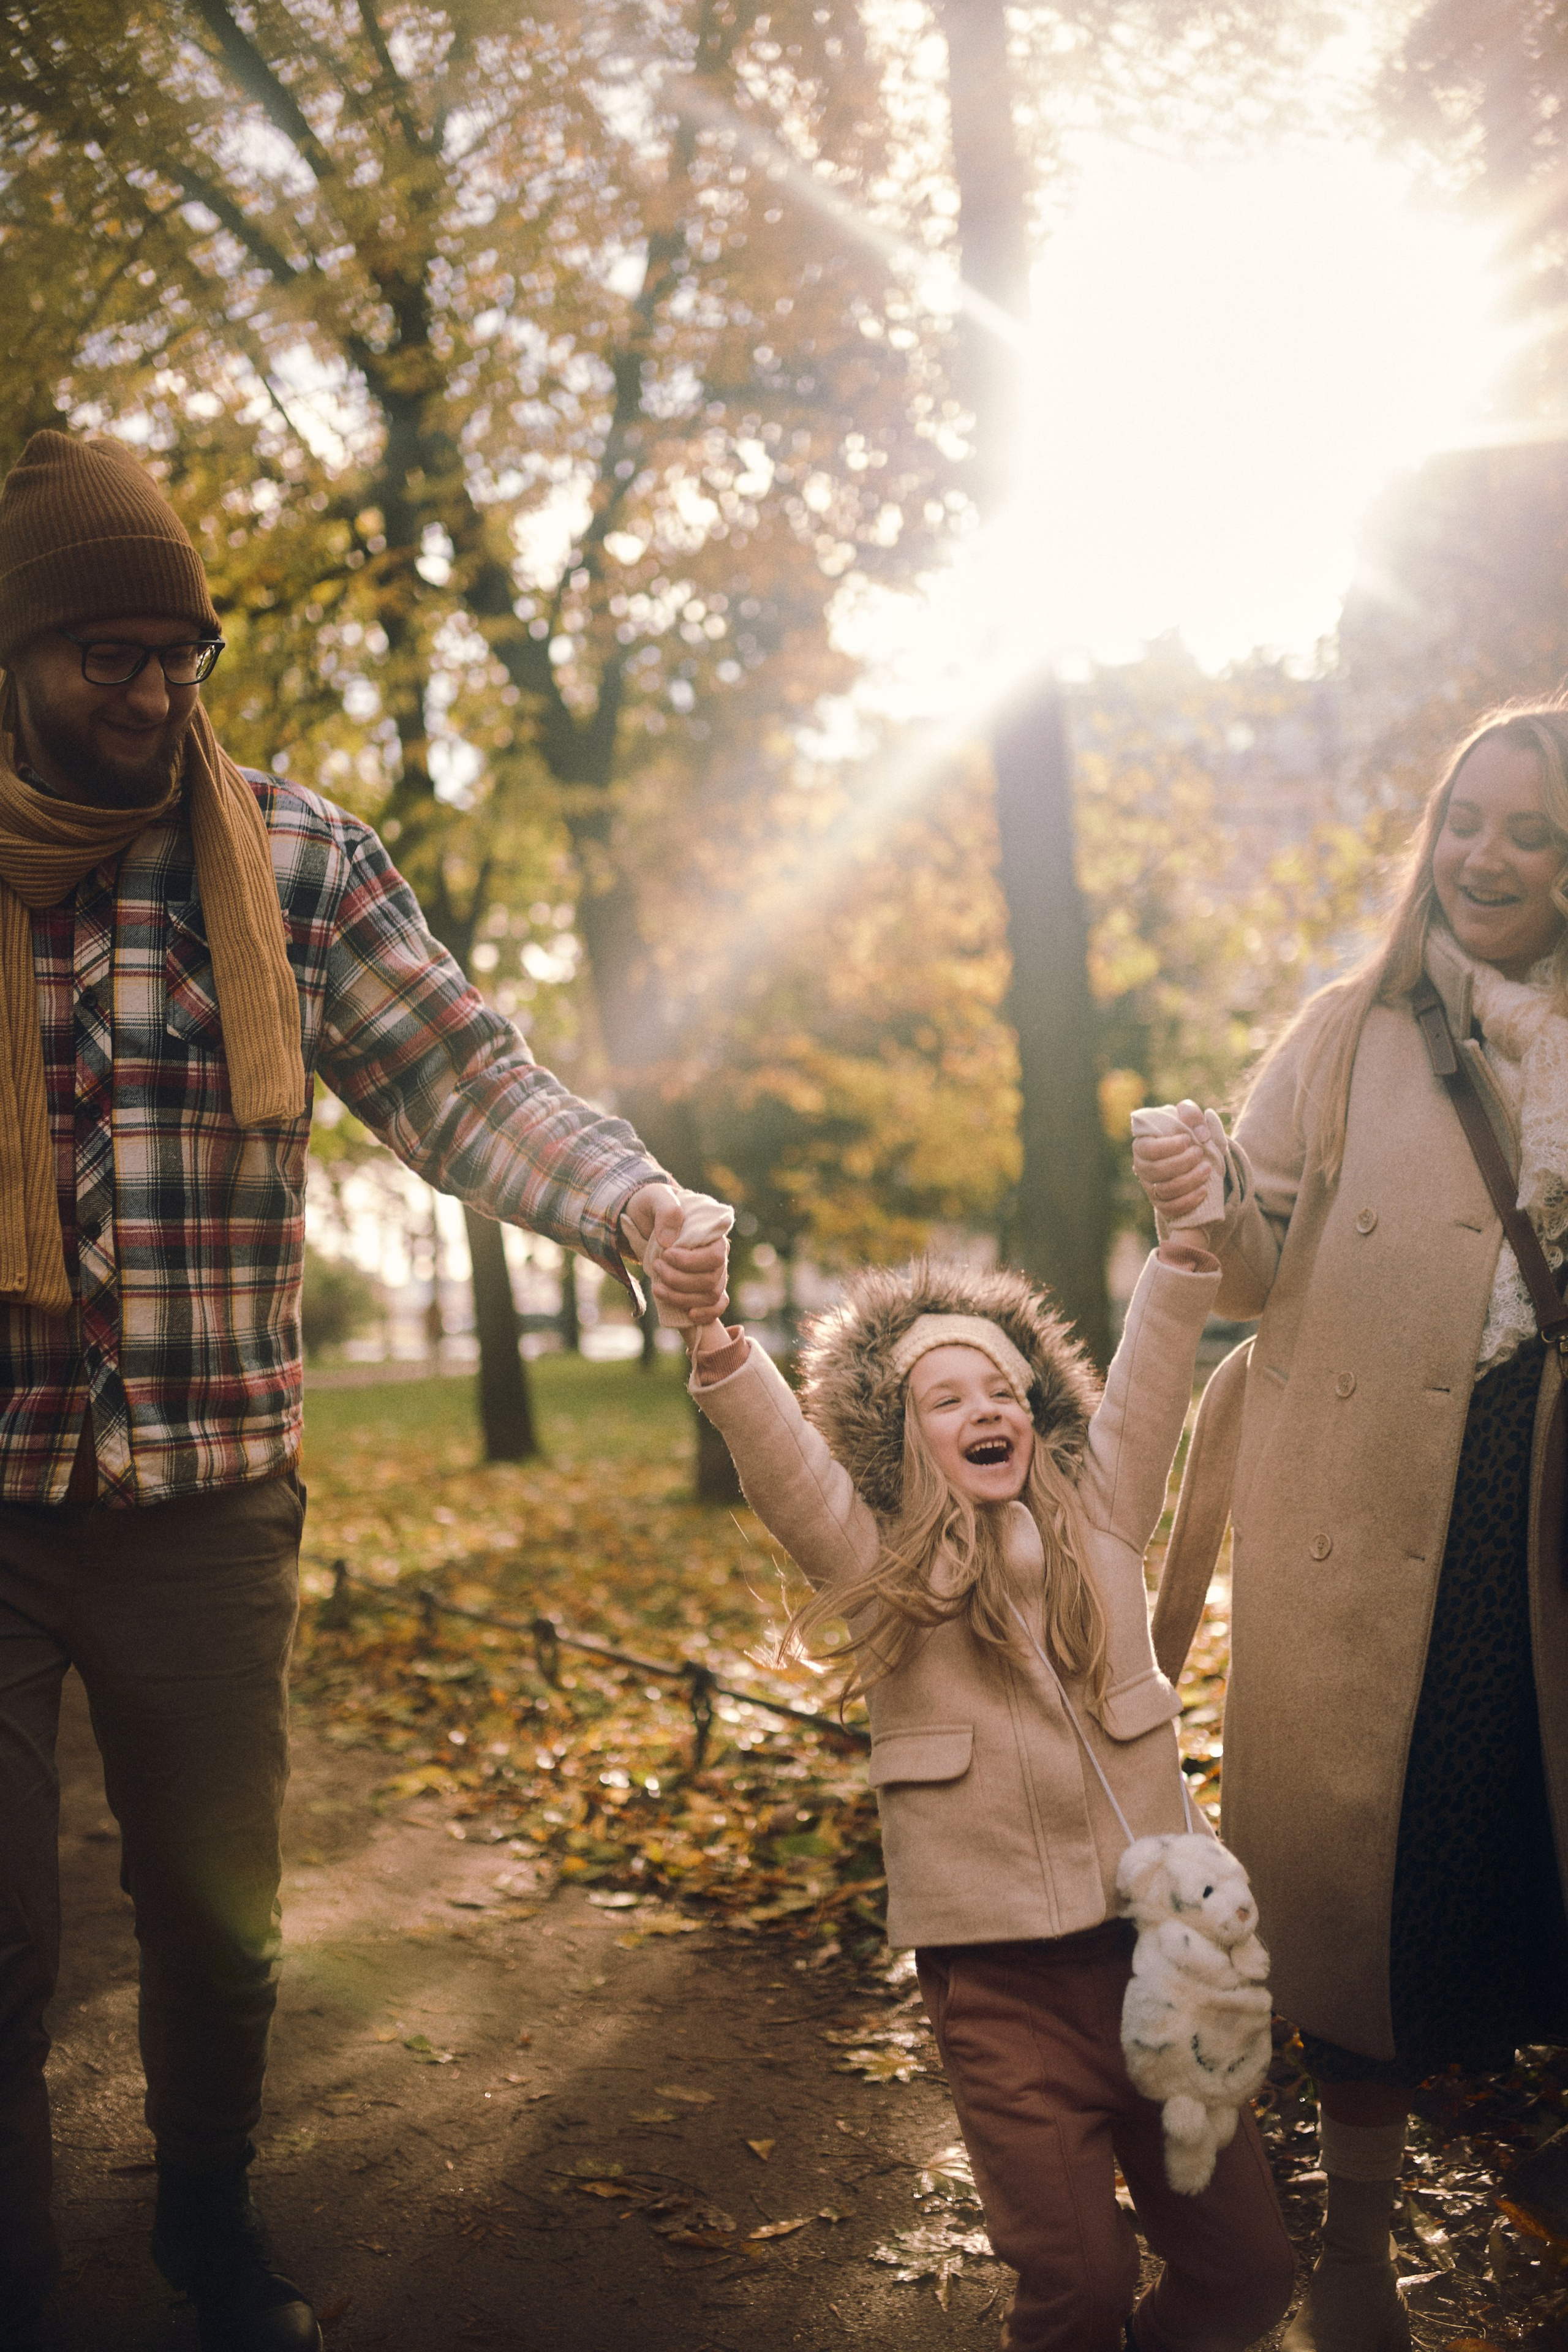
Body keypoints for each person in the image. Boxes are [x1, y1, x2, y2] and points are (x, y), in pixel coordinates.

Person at [0, 429, 729, 2352]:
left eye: (185, 657)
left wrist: (631, 1199)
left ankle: (210, 2243)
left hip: (209, 1490)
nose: (157, 696)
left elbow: (467, 1081)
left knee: (214, 1928)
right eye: (111, 658)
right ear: (20, 653)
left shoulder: (295, 862)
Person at [1135, 705, 1568, 2352]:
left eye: (1532, 829)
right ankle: (1355, 2254)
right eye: (1468, 818)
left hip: (1546, 1534)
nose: (1487, 855)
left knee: (1527, 1873)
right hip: (1372, 1530)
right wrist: (1197, 1190)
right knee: (1358, 1913)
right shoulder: (1351, 1028)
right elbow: (1243, 1270)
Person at [686, 1227, 1295, 2352]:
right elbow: (785, 1463)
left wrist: (1187, 1252)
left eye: (1004, 1390)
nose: (987, 1409)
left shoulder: (1103, 1519)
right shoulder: (877, 1572)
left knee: (1252, 2274)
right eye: (946, 1398)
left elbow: (1152, 1383)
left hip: (1156, 1964)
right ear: (897, 1441)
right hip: (1004, 1995)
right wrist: (717, 1342)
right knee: (1077, 2291)